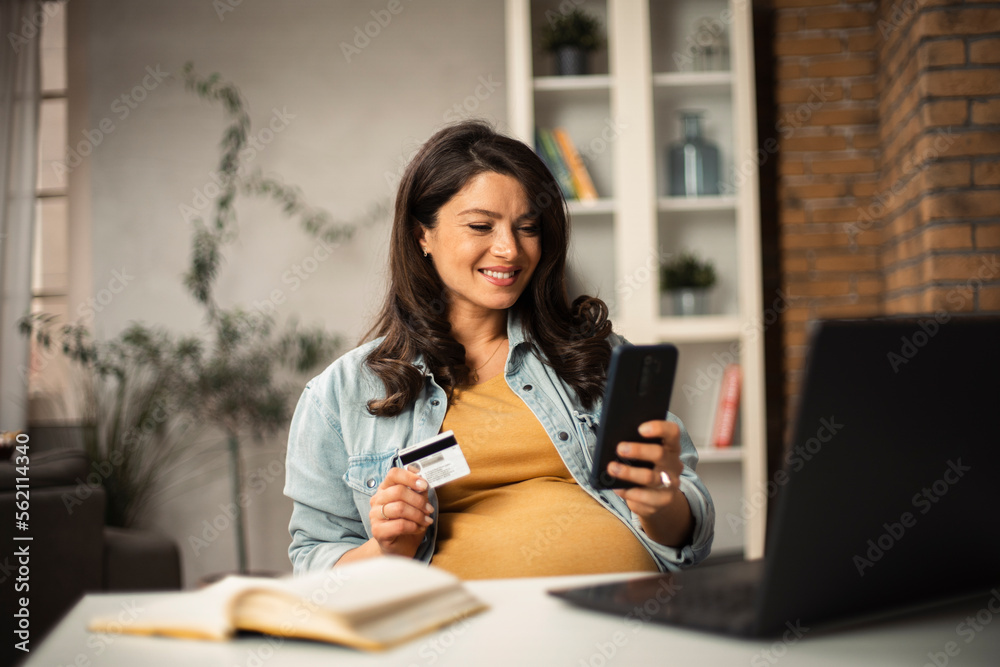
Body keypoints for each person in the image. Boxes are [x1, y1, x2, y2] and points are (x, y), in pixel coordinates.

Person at [284, 121, 714, 579]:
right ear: (421, 235)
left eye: (527, 227)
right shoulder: (340, 394)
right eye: (480, 226)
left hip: (629, 622)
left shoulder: (596, 355)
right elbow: (316, 565)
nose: (509, 249)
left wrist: (663, 504)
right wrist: (390, 550)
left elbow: (689, 532)